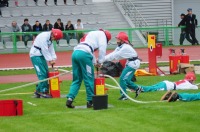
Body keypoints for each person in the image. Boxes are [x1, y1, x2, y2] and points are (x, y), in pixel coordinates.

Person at [66, 29, 111, 108]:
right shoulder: (103, 36)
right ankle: (90, 101)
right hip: (84, 55)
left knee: (77, 79)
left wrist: (94, 63)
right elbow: (102, 49)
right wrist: (100, 62)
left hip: (75, 53)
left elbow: (91, 50)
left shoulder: (91, 34)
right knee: (89, 78)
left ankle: (70, 99)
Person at [104, 32, 141, 100]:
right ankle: (137, 88)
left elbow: (115, 56)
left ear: (122, 40)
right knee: (126, 80)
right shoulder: (121, 46)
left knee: (122, 79)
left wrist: (102, 59)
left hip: (133, 64)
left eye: (118, 39)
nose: (116, 41)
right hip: (130, 63)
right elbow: (113, 53)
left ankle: (124, 95)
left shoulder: (125, 48)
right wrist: (102, 58)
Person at [29, 29, 63, 98]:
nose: (54, 39)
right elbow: (45, 49)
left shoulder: (49, 38)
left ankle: (38, 91)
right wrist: (50, 60)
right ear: (53, 34)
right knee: (42, 74)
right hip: (35, 55)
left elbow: (51, 49)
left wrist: (53, 58)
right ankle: (43, 91)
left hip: (41, 55)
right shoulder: (43, 37)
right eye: (54, 38)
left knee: (46, 73)